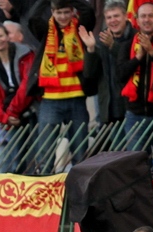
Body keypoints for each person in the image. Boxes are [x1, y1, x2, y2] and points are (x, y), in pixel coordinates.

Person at [35, 0, 97, 171]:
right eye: (58, 13)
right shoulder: (45, 31)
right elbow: (33, 17)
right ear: (52, 12)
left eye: (66, 12)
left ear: (72, 12)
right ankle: (44, 182)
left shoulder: (81, 29)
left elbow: (87, 10)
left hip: (77, 98)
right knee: (46, 150)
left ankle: (80, 184)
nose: (62, 17)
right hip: (50, 99)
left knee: (80, 150)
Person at [116, 2, 153, 174]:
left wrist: (152, 52)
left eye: (151, 16)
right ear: (137, 21)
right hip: (135, 115)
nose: (147, 20)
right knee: (135, 168)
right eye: (143, 16)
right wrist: (138, 57)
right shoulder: (127, 45)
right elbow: (120, 75)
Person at [0, 22, 35, 174]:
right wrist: (5, 118)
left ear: (7, 36)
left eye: (0, 36)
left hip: (31, 109)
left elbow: (26, 86)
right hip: (10, 117)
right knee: (15, 159)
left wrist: (12, 112)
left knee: (33, 156)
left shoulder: (25, 54)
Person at [87, 0, 133, 125]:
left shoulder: (135, 37)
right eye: (109, 17)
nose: (113, 20)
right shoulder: (100, 41)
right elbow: (89, 74)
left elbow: (131, 65)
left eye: (116, 16)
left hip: (130, 108)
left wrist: (113, 46)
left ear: (125, 16)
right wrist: (90, 50)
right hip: (107, 109)